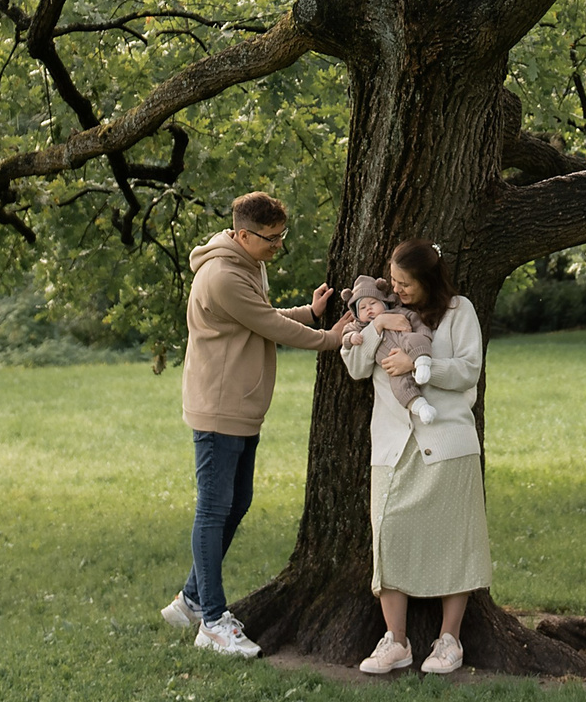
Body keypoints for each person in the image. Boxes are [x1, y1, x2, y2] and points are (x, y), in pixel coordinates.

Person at [162, 191, 346, 658]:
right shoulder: (222, 274)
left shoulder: (248, 263)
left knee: (237, 502)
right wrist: (328, 338)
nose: (277, 247)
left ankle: (188, 599)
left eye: (282, 236)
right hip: (219, 408)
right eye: (271, 238)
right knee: (213, 510)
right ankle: (212, 622)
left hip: (241, 405)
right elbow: (269, 325)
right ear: (243, 235)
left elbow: (259, 320)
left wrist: (309, 314)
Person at [341, 239, 490, 677]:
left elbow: (469, 369)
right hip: (392, 445)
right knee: (388, 536)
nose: (399, 289)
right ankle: (397, 641)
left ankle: (449, 640)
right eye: (395, 280)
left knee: (455, 541)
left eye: (407, 284)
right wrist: (378, 323)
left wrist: (419, 367)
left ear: (428, 280)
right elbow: (353, 364)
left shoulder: (459, 312)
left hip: (448, 442)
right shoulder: (376, 310)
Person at [343, 274, 437, 424]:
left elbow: (419, 327)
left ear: (384, 303)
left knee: (414, 339)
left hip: (409, 345)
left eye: (373, 303)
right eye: (362, 307)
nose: (369, 309)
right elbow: (346, 339)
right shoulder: (358, 329)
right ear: (356, 313)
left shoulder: (400, 313)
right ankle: (421, 407)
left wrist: (422, 342)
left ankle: (422, 364)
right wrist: (353, 337)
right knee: (400, 387)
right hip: (393, 369)